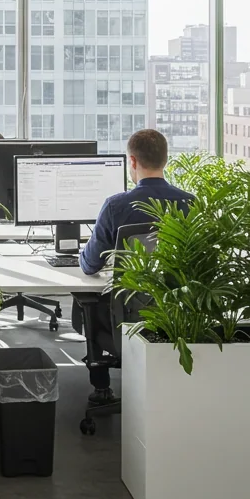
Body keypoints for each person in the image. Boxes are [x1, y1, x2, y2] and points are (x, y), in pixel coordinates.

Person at [75, 129, 192, 404]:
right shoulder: (190, 203)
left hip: (127, 318)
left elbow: (90, 265)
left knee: (84, 300)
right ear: (165, 160)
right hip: (174, 315)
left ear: (133, 162)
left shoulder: (116, 205)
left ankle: (102, 388)